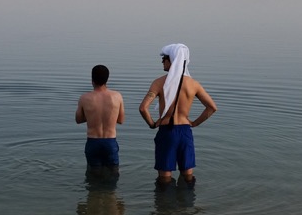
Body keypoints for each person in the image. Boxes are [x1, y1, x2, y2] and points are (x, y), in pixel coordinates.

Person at [139, 44, 217, 188]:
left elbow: (143, 108)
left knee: (165, 177)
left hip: (167, 131)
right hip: (185, 132)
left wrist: (152, 123)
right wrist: (194, 123)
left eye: (164, 59)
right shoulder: (193, 84)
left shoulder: (159, 82)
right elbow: (212, 107)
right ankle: (186, 207)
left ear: (172, 60)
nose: (162, 61)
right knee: (188, 175)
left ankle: (165, 208)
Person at [76, 64, 125, 177]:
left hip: (93, 142)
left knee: (93, 176)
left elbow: (78, 120)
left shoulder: (84, 98)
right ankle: (110, 194)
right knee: (113, 173)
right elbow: (121, 120)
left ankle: (95, 194)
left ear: (92, 80)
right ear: (107, 79)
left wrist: (91, 115)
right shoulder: (117, 96)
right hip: (110, 142)